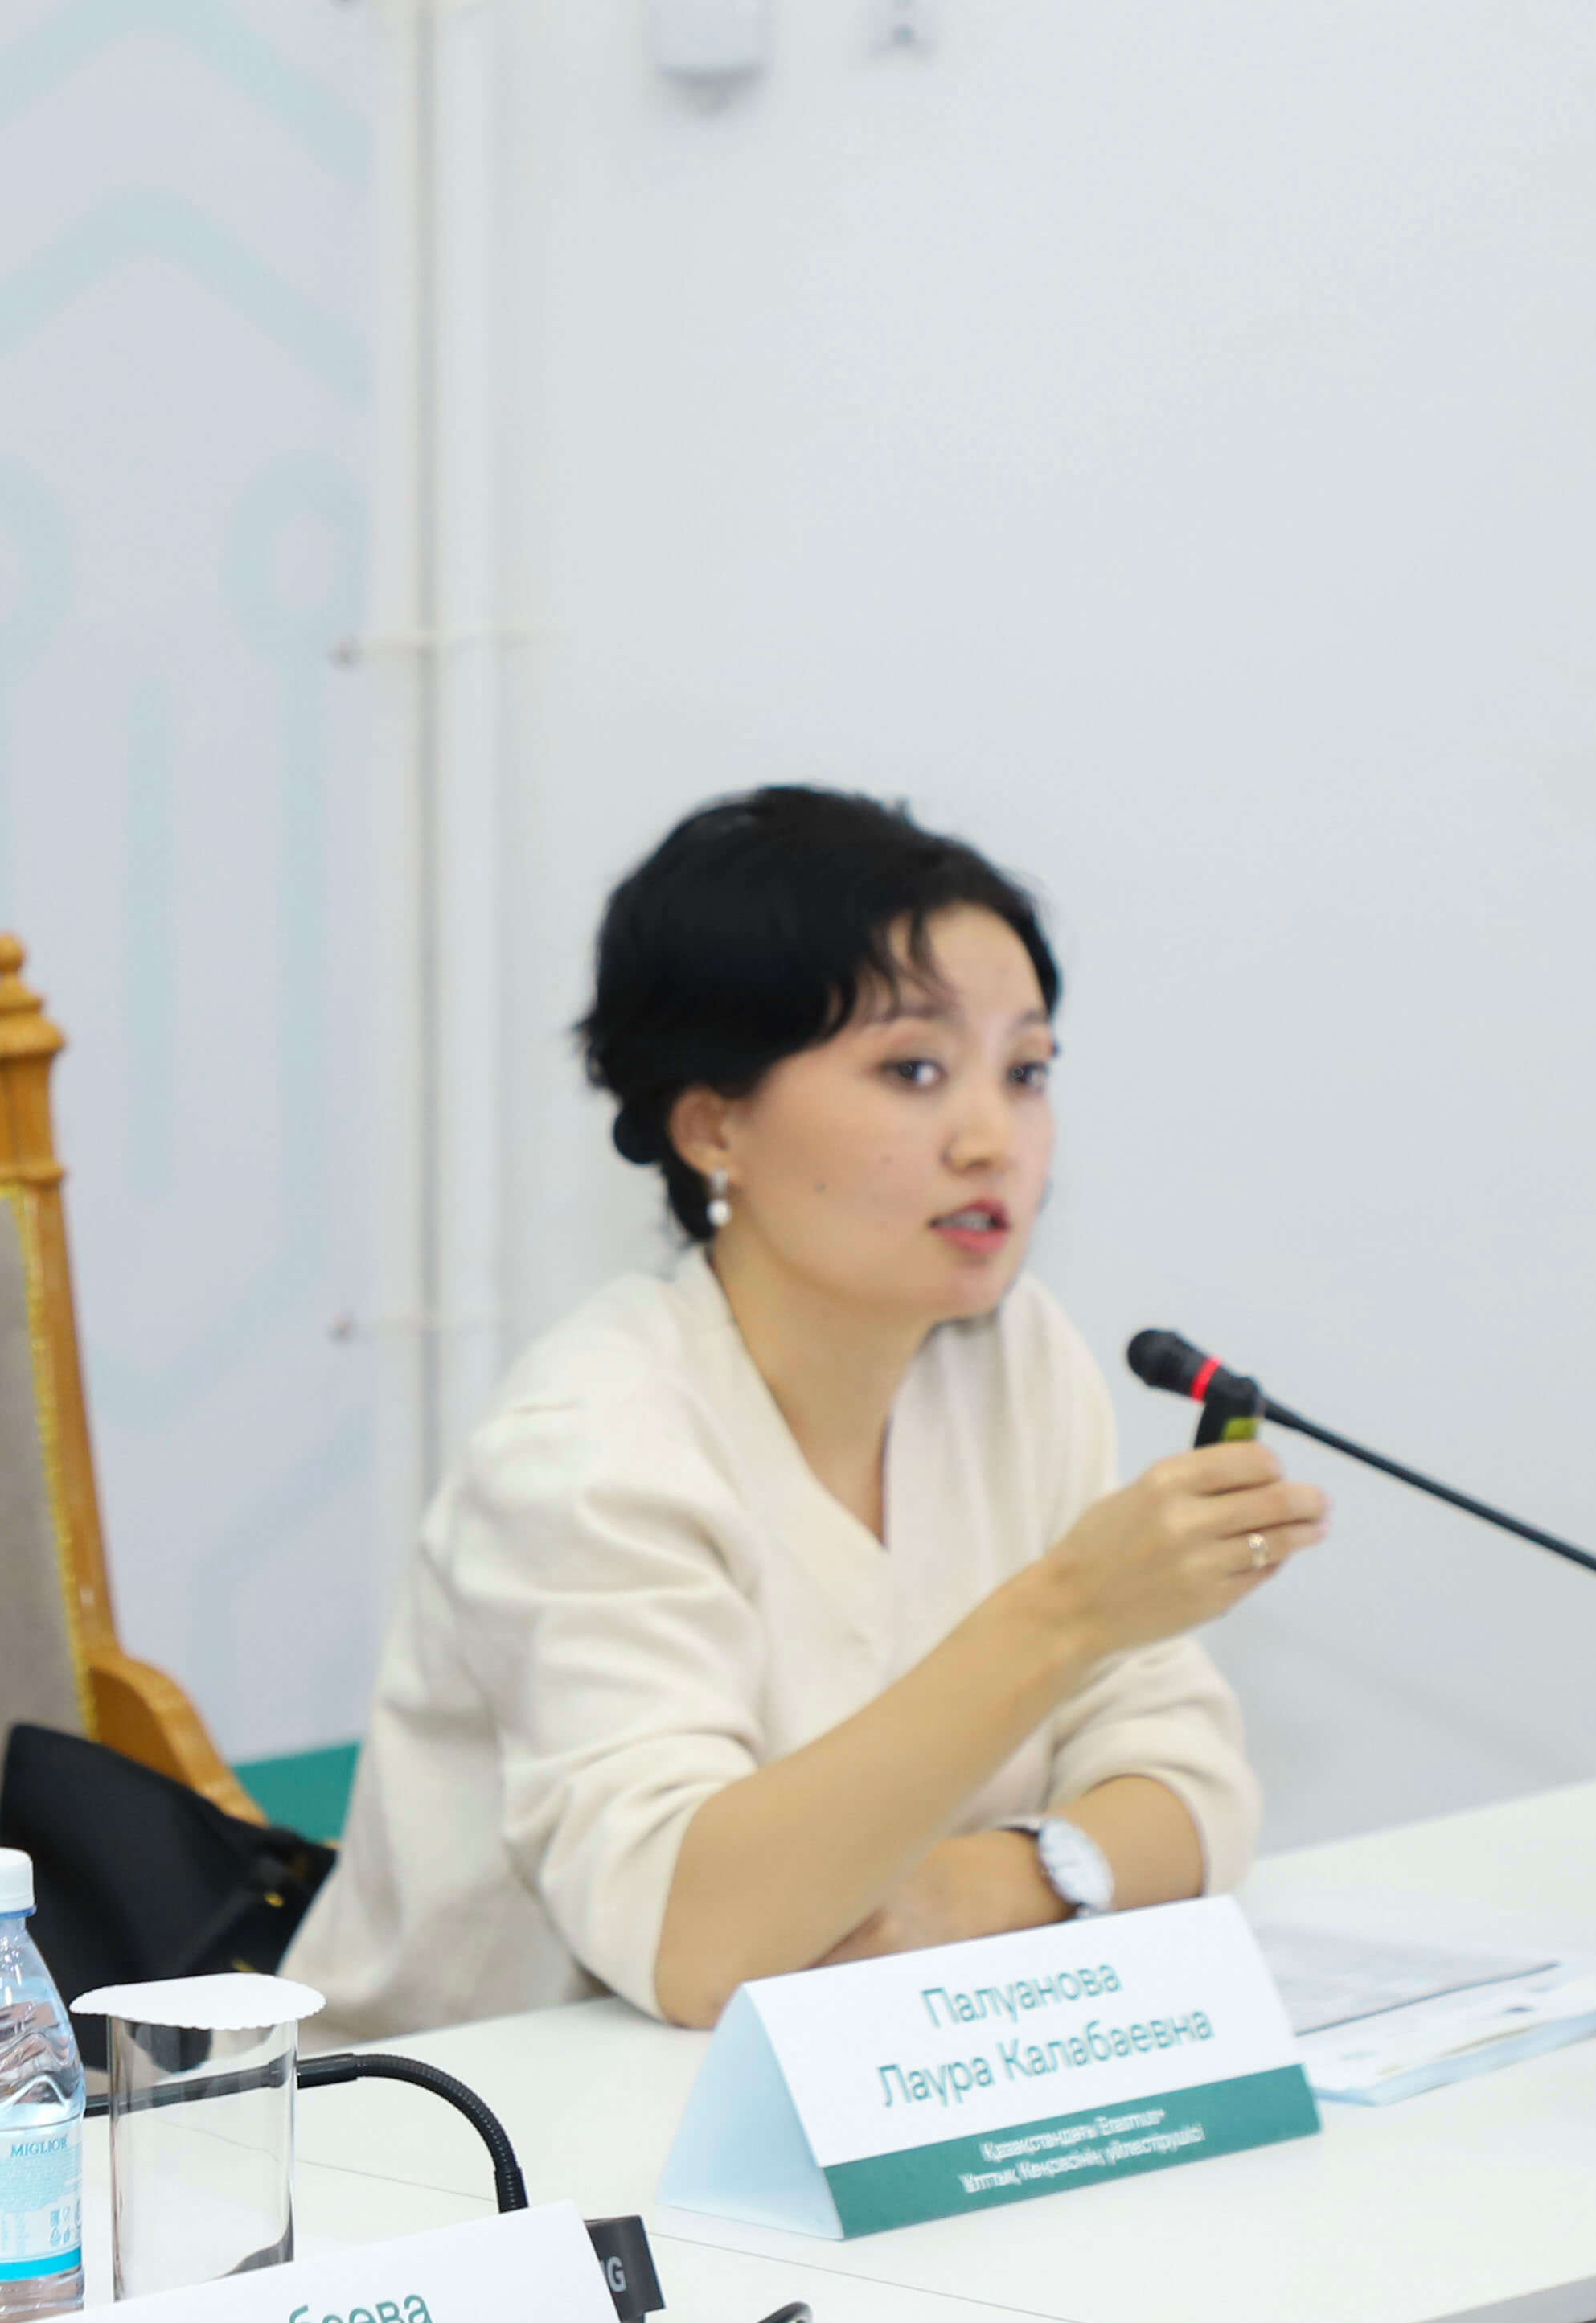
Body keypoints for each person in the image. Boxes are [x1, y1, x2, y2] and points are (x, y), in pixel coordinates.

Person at [288, 790, 1323, 2038]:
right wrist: (1066, 1612)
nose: (993, 1139)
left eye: (1026, 1072)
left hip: (868, 2079)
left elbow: (1193, 1787)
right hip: (462, 2117)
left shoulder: (1016, 1361)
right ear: (714, 1124)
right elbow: (695, 1945)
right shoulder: (587, 1442)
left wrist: (979, 1888)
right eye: (914, 1070)